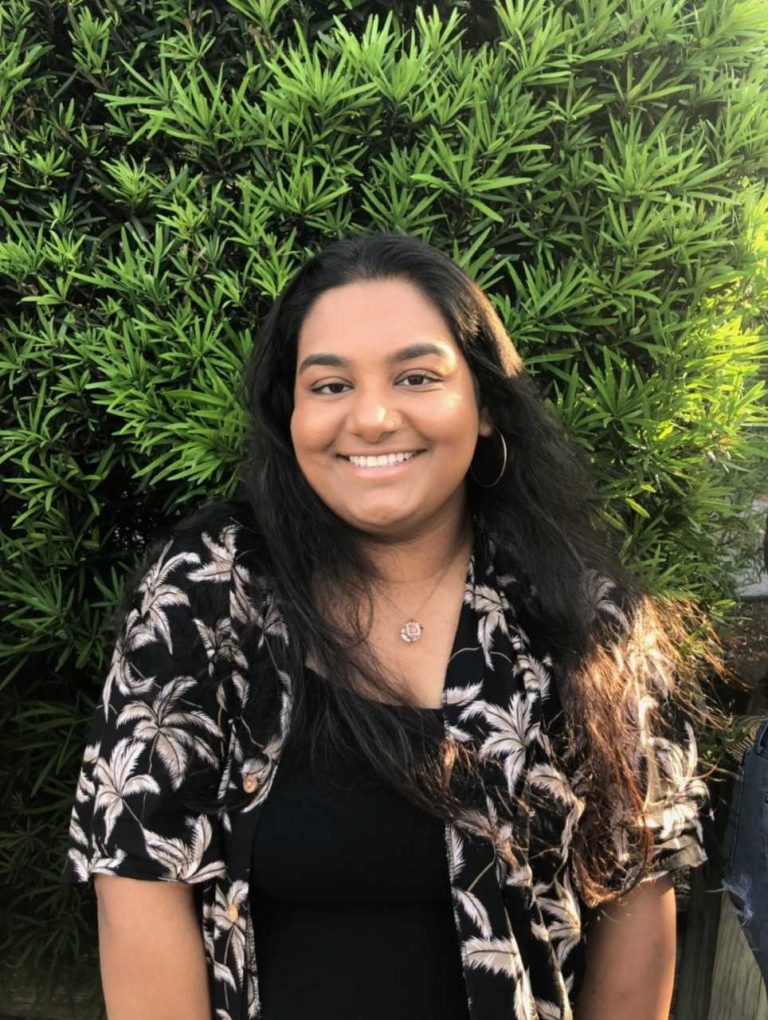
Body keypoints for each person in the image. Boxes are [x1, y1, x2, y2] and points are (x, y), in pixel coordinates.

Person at [64, 233, 715, 1020]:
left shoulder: (582, 616)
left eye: (416, 377)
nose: (371, 418)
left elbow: (637, 891)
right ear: (291, 415)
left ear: (482, 408)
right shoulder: (210, 590)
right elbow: (136, 870)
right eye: (330, 385)